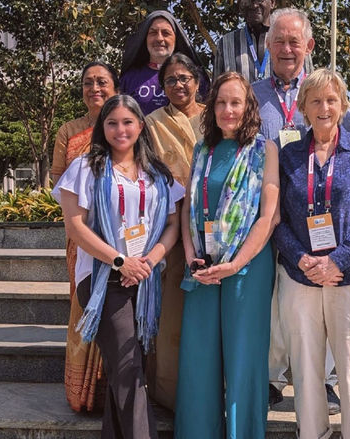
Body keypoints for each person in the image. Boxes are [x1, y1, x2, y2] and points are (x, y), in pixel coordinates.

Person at [52, 95, 185, 438]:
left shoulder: (158, 173)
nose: (120, 129)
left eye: (127, 122)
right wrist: (119, 261)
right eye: (112, 123)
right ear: (102, 127)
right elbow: (75, 226)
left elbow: (173, 223)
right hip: (101, 278)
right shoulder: (85, 168)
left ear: (141, 126)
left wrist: (151, 259)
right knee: (128, 369)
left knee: (125, 369)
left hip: (144, 278)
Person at [253, 7, 350, 412]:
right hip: (267, 218)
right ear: (268, 46)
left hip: (319, 220)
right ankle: (274, 378)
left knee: (323, 297)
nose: (286, 48)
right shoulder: (254, 95)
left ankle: (328, 381)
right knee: (276, 302)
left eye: (294, 41)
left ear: (309, 46)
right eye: (278, 40)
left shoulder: (323, 90)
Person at [274, 68, 350, 438]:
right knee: (306, 369)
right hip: (300, 276)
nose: (324, 107)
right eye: (316, 100)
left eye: (332, 99)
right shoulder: (287, 155)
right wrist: (302, 259)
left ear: (343, 105)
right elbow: (278, 220)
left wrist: (337, 260)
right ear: (303, 107)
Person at [174, 72, 279, 439]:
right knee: (198, 358)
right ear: (211, 107)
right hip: (202, 266)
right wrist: (190, 255)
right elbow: (188, 206)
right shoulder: (202, 148)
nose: (228, 109)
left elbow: (270, 215)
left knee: (243, 359)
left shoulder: (265, 149)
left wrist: (236, 263)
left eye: (235, 102)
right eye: (220, 102)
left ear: (248, 106)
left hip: (247, 267)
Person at [51, 61, 119, 413]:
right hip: (82, 240)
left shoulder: (126, 124)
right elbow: (57, 184)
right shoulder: (69, 131)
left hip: (124, 240)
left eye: (102, 81)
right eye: (88, 82)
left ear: (115, 86)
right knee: (84, 306)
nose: (95, 88)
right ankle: (83, 394)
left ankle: (115, 388)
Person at [143, 53, 206, 410]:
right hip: (170, 223)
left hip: (216, 224)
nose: (179, 85)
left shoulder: (217, 115)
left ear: (197, 81)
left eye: (185, 78)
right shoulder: (152, 122)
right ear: (162, 86)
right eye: (171, 80)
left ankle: (212, 387)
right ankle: (168, 392)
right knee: (172, 310)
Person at [121, 10, 210, 116]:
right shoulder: (129, 78)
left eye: (166, 33)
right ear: (145, 38)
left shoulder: (196, 78)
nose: (159, 38)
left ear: (176, 39)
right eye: (153, 33)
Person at [213, 0, 310, 84]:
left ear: (272, 2)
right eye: (247, 1)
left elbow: (311, 86)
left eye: (259, 0)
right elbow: (216, 94)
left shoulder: (297, 43)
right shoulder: (225, 44)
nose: (254, 5)